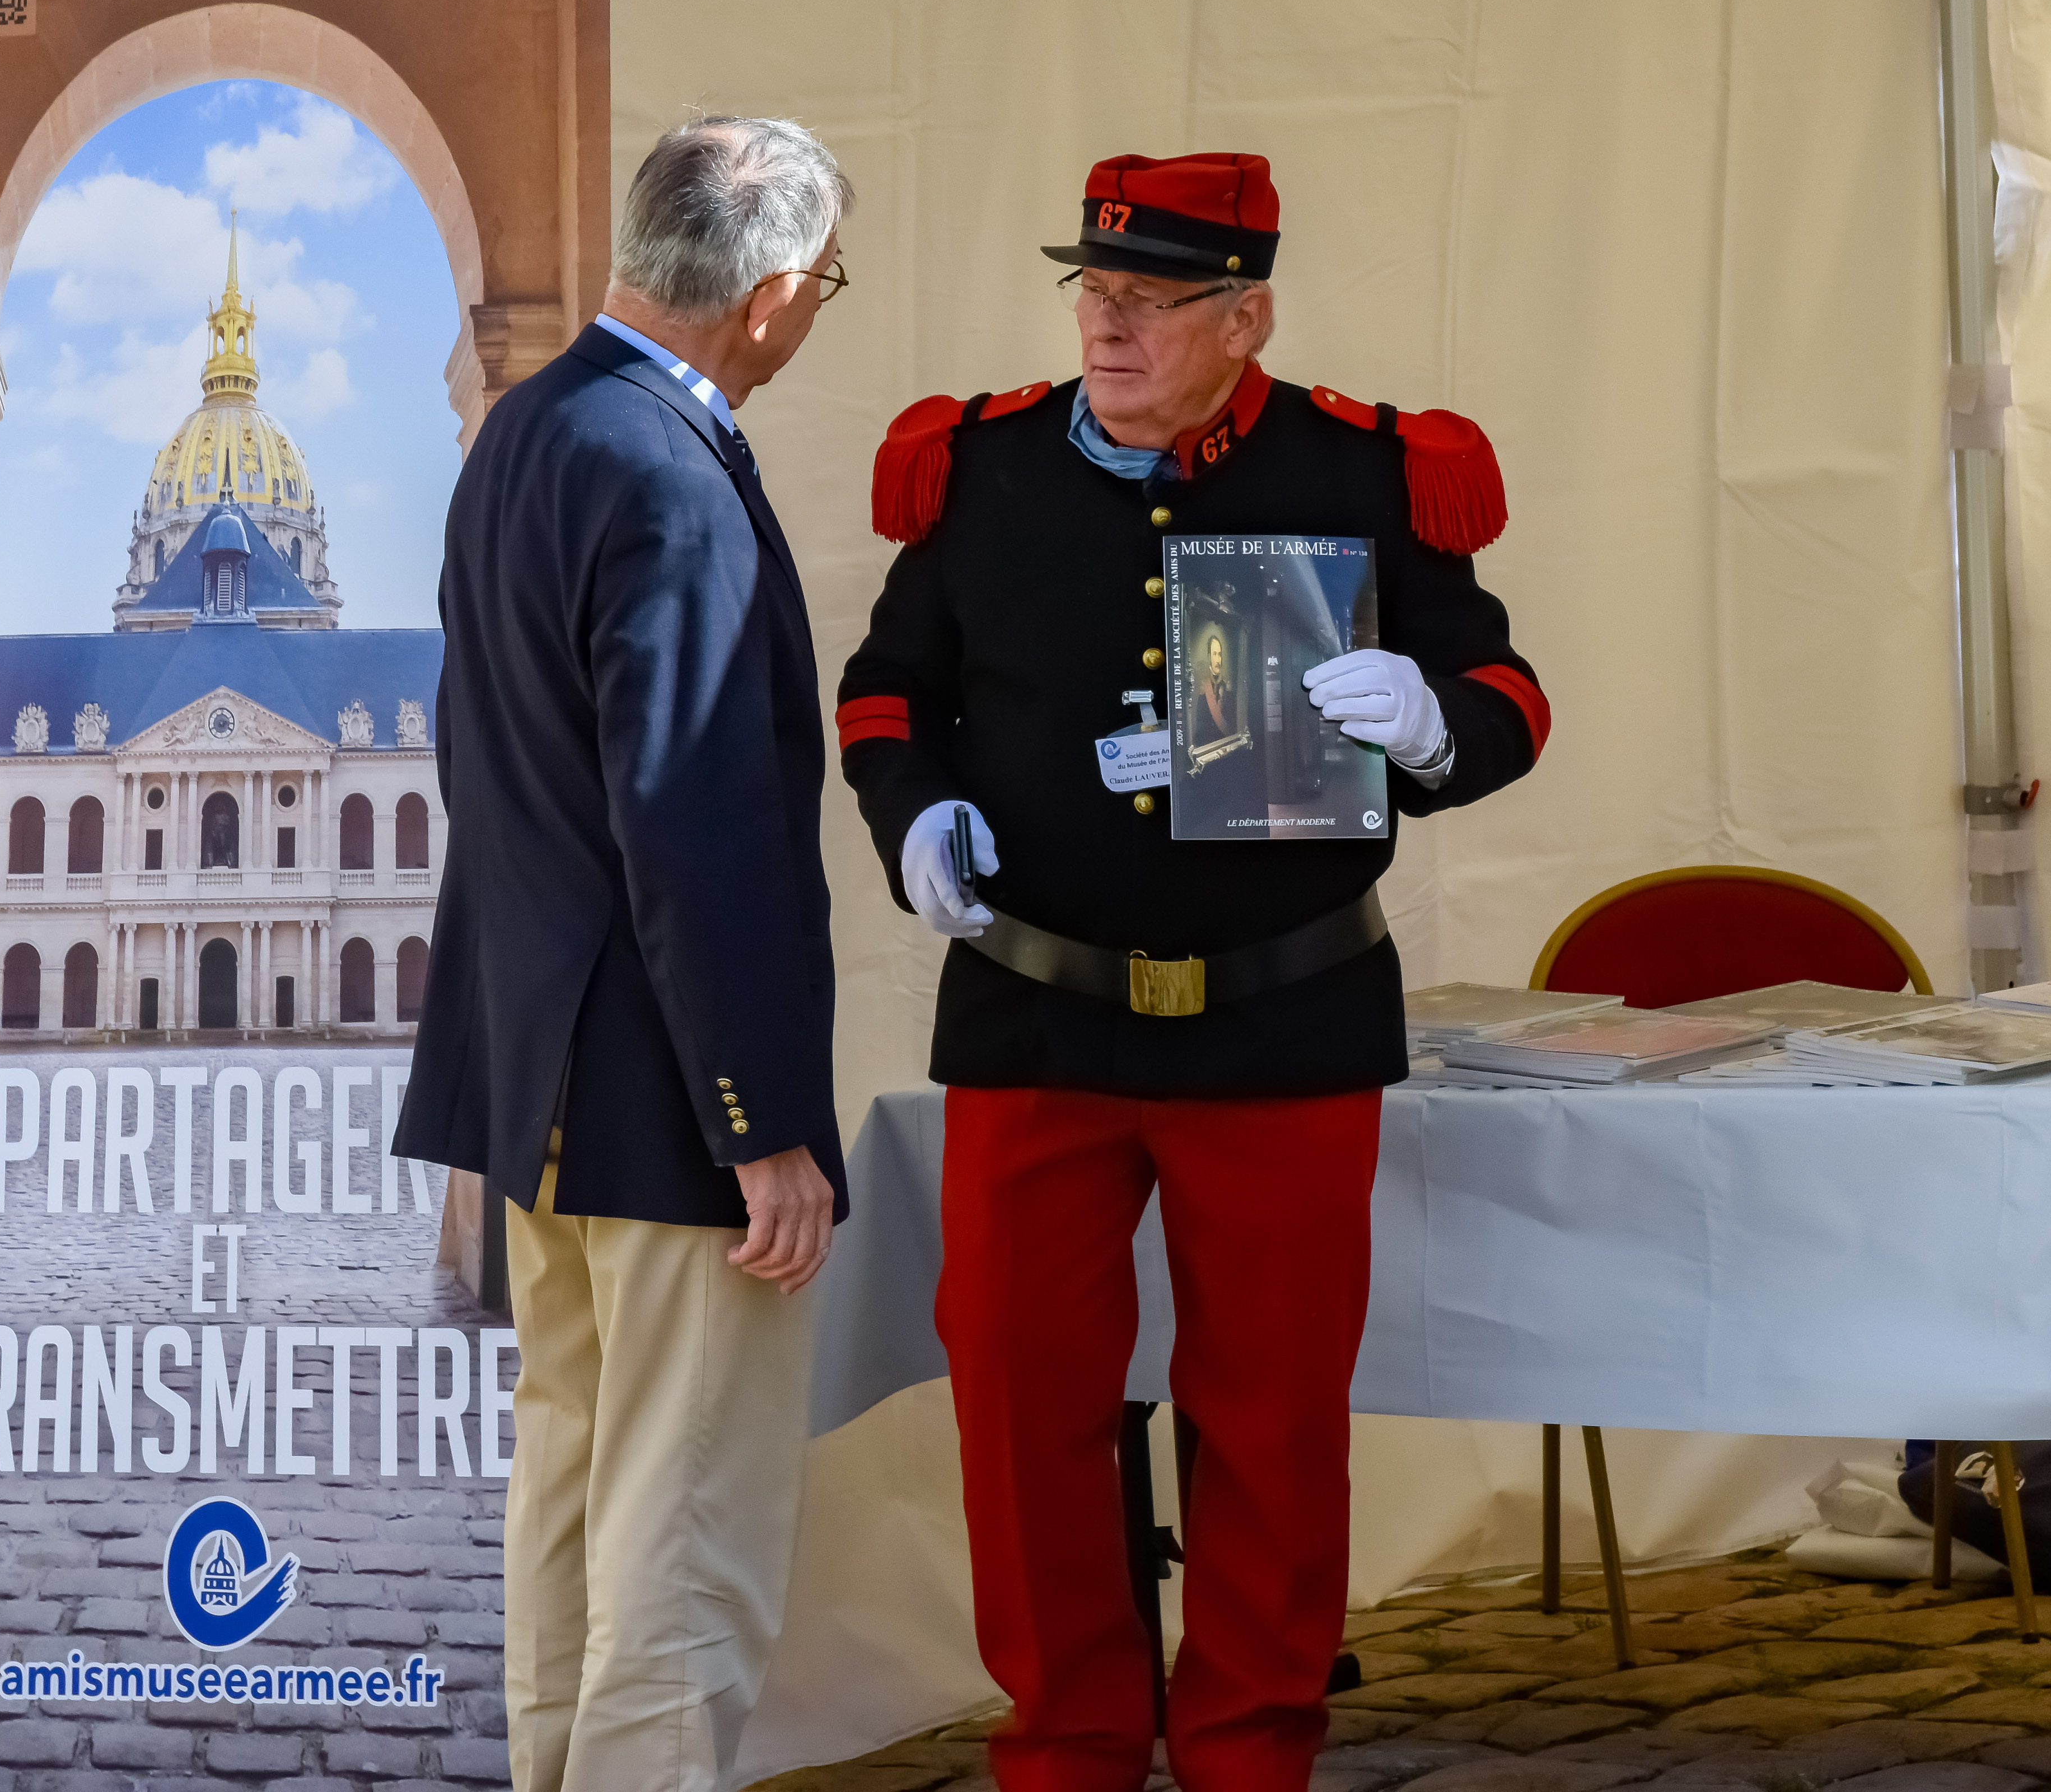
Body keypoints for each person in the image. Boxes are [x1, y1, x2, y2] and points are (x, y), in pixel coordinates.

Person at [837, 152, 1548, 1792]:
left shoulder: (1368, 467)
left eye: (1151, 300)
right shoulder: (982, 463)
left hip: (1282, 1012)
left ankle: (1247, 1746)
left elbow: (1503, 682)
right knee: (1021, 1420)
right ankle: (1068, 1745)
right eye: (1090, 290)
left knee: (1274, 1425)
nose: (1107, 323)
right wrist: (912, 810)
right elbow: (888, 689)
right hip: (1031, 1011)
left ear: (1249, 313)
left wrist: (1437, 726)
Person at [394, 115, 855, 1792]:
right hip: (664, 1082)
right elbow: (691, 819)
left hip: (541, 1060)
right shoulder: (663, 463)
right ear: (775, 288)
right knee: (684, 1513)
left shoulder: (531, 422)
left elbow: (489, 755)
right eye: (824, 288)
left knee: (576, 1481)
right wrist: (762, 1116)